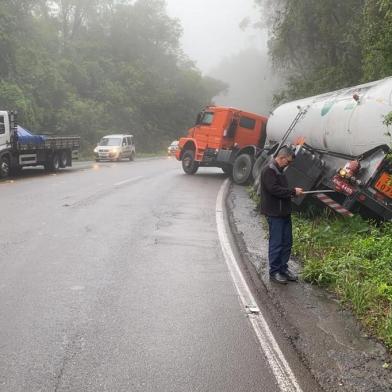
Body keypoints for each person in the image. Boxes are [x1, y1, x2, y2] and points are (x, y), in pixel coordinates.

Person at [259, 147, 304, 284]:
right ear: (282, 157)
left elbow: (282, 190)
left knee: (287, 243)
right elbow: (274, 190)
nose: (288, 164)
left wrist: (292, 192)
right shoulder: (269, 170)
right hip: (274, 213)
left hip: (284, 212)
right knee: (276, 243)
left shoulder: (280, 171)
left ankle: (283, 269)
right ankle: (274, 272)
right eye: (288, 161)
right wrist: (292, 192)